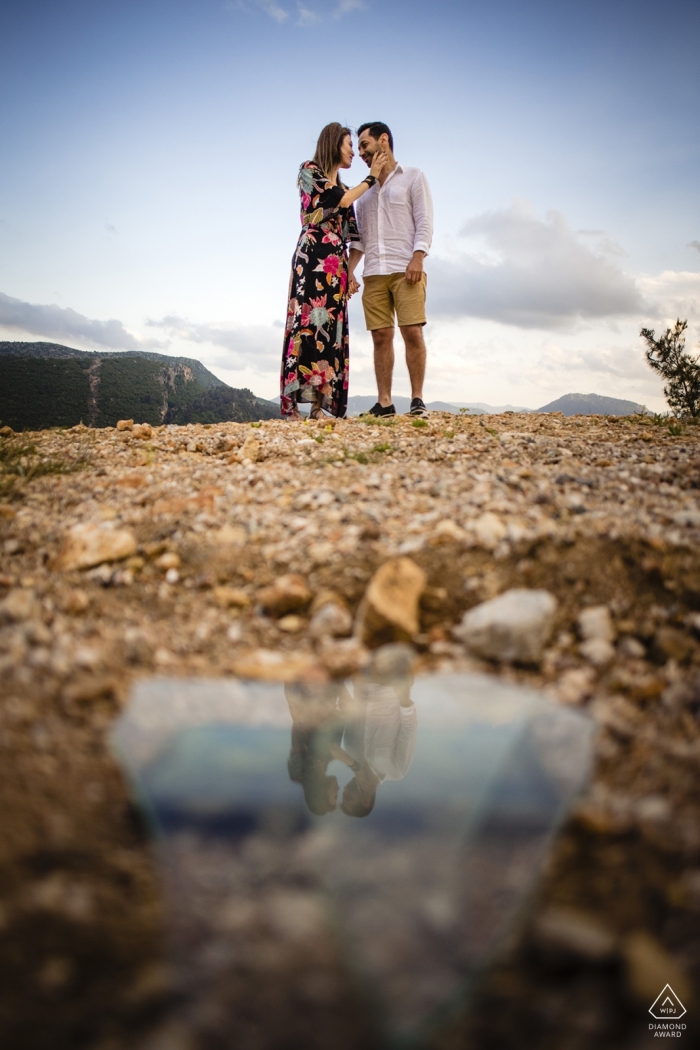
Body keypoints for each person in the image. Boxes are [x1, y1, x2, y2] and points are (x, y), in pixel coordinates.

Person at [281, 123, 387, 420]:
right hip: (311, 254)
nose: (354, 151)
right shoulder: (309, 171)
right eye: (349, 145)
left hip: (335, 264)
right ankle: (291, 406)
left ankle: (319, 406)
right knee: (304, 323)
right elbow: (336, 200)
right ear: (333, 144)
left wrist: (350, 272)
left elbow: (357, 240)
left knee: (331, 331)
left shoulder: (345, 189)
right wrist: (371, 177)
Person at [348, 122, 434, 418]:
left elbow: (424, 220)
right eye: (357, 147)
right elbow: (359, 239)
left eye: (364, 144)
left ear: (383, 140)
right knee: (380, 337)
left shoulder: (413, 176)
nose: (360, 152)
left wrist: (418, 257)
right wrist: (349, 272)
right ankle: (384, 402)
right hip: (373, 272)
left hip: (405, 268)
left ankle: (417, 399)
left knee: (412, 332)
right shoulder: (365, 191)